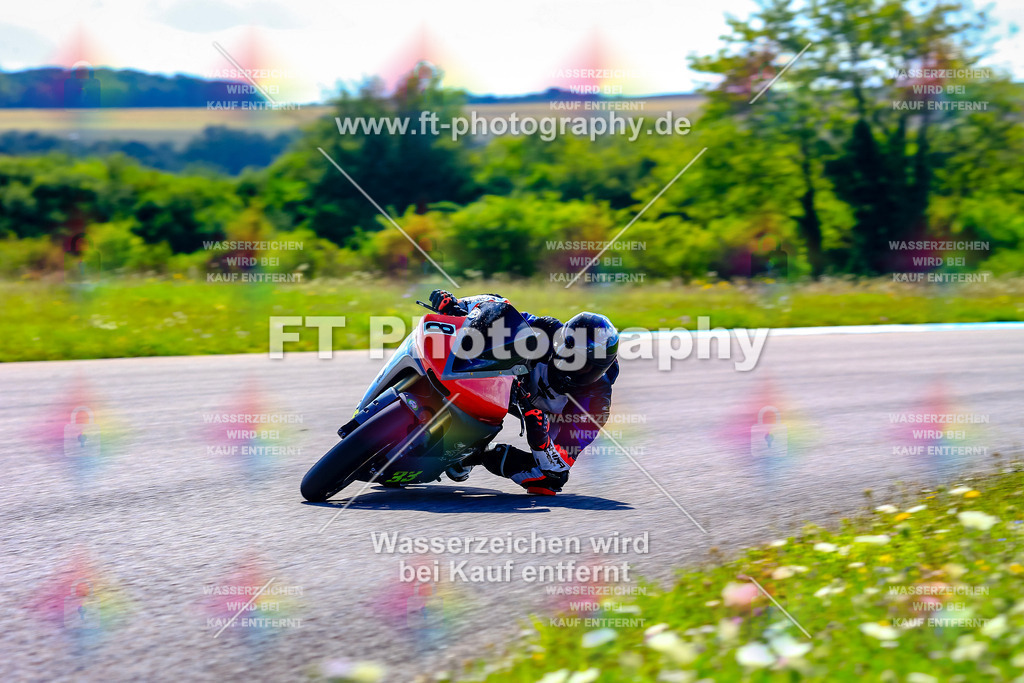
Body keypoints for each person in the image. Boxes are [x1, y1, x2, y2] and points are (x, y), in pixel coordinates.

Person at [428, 289, 619, 495]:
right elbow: (499, 306)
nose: (569, 364)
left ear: (599, 370)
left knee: (550, 479)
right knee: (476, 341)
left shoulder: (597, 404)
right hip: (511, 384)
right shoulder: (545, 330)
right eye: (567, 353)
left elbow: (561, 463)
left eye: (582, 364)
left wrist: (540, 439)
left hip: (546, 419)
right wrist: (458, 305)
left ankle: (472, 454)